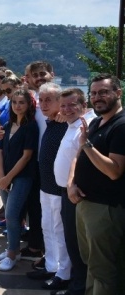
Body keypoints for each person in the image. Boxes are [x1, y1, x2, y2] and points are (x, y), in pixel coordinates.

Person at [68, 73, 125, 294]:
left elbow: (114, 171)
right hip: (85, 203)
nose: (97, 97)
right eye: (93, 93)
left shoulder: (121, 126)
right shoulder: (97, 122)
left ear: (118, 93)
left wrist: (87, 144)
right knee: (90, 263)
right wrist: (71, 184)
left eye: (103, 92)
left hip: (105, 208)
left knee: (103, 268)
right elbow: (80, 155)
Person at [54, 88, 95, 295]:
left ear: (83, 106)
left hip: (75, 194)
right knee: (71, 241)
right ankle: (75, 285)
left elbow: (80, 158)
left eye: (72, 105)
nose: (67, 109)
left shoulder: (85, 126)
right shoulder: (72, 125)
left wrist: (71, 183)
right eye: (63, 105)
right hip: (65, 192)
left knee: (78, 246)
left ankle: (78, 289)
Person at [31, 83, 71, 292]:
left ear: (59, 102)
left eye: (49, 100)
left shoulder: (66, 124)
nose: (43, 104)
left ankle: (63, 273)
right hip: (45, 185)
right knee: (48, 226)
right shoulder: (50, 122)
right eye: (41, 99)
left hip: (58, 188)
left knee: (59, 230)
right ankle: (51, 266)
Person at [0, 89, 39, 272]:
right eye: (14, 102)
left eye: (21, 102)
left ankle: (12, 254)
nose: (17, 106)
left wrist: (9, 177)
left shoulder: (31, 127)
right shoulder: (6, 126)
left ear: (28, 105)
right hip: (5, 177)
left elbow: (26, 157)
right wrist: (1, 175)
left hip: (22, 177)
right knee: (11, 217)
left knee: (12, 215)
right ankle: (12, 248)